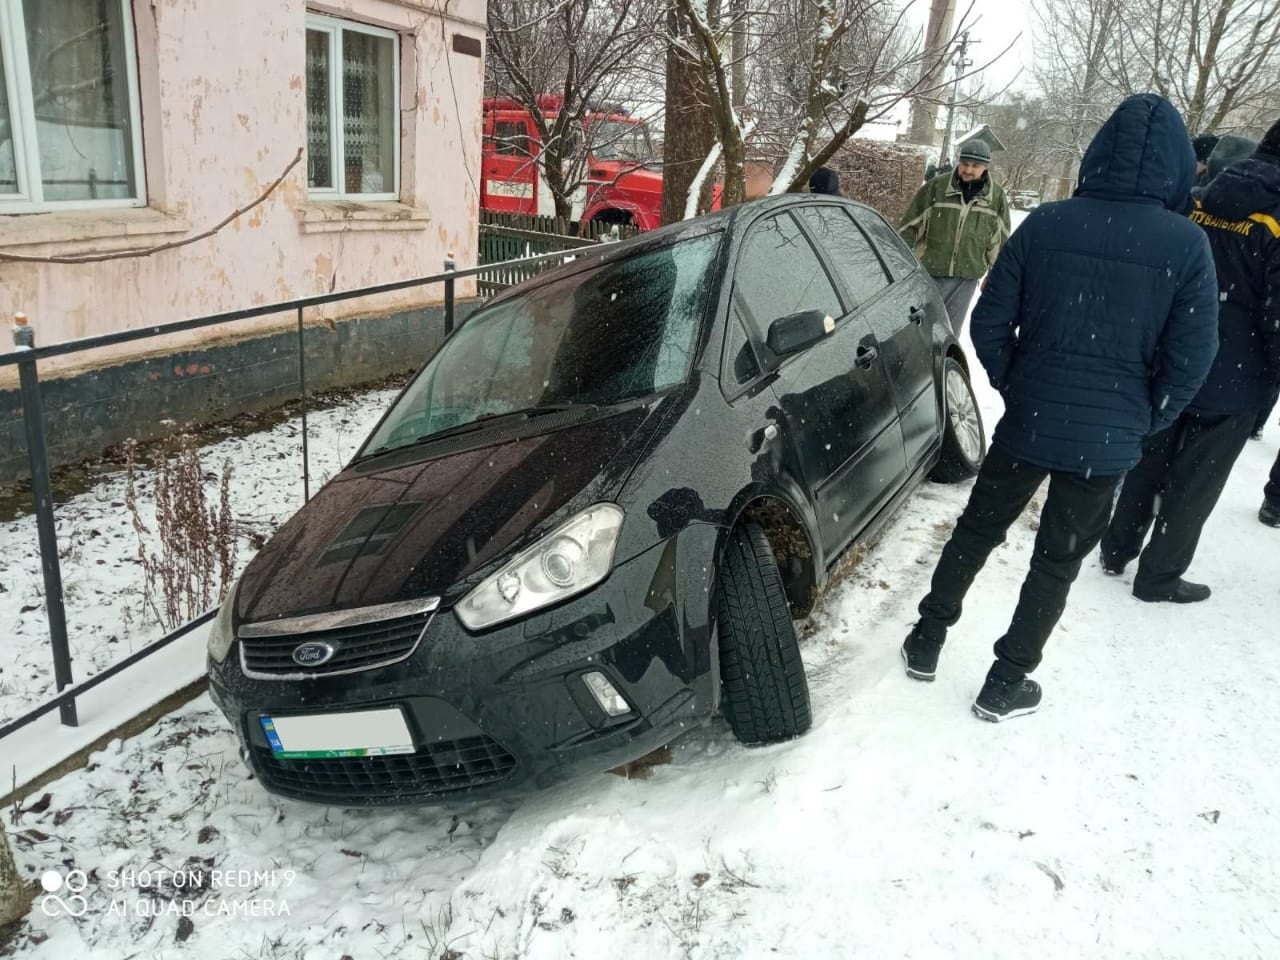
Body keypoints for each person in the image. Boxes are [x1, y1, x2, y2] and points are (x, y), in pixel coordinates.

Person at [900, 94, 1219, 721]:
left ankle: (926, 638)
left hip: (1031, 421)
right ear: (1178, 167)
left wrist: (1020, 385)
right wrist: (1145, 418)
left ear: (1098, 154)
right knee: (1057, 559)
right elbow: (1194, 357)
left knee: (976, 530)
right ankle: (1006, 680)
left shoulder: (1047, 223)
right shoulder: (1187, 246)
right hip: (1105, 444)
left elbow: (990, 321)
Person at [1100, 118, 1280, 600]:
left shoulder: (1199, 197)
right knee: (1196, 482)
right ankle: (1158, 577)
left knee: (1148, 460)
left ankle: (1116, 549)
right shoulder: (1276, 219)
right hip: (1235, 374)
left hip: (1174, 354)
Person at [899, 138, 1011, 338]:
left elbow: (1000, 241)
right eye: (965, 164)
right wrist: (900, 264)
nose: (968, 170)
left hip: (966, 279)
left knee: (949, 333)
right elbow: (909, 228)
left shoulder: (996, 198)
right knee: (918, 330)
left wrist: (996, 275)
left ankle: (940, 367)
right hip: (929, 273)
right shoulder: (936, 188)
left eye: (975, 166)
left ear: (985, 167)